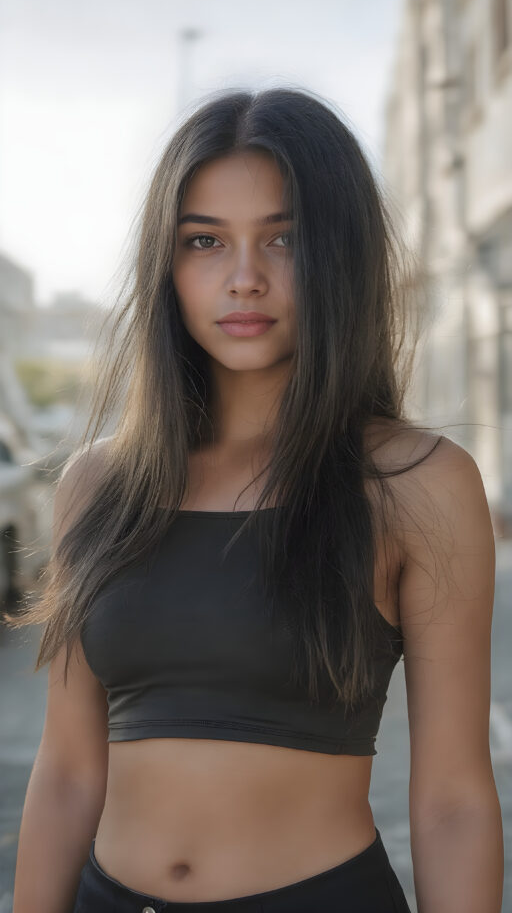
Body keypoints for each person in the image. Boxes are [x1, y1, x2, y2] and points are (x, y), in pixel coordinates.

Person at [7, 87, 503, 913]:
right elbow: (65, 772)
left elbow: (453, 801)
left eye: (285, 239)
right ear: (166, 265)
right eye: (204, 241)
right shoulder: (98, 485)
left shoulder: (417, 482)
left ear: (341, 256)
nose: (245, 279)